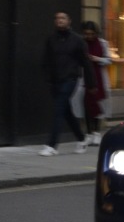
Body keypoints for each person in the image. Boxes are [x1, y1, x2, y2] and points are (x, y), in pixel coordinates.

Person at [39, 11, 94, 156]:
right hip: (55, 80)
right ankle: (82, 139)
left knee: (58, 109)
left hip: (70, 79)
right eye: (57, 18)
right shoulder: (51, 39)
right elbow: (46, 60)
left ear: (69, 21)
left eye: (63, 18)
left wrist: (91, 84)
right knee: (66, 111)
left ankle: (52, 145)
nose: (59, 20)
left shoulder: (77, 40)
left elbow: (86, 62)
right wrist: (47, 77)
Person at [80, 21, 112, 145]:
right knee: (87, 106)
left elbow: (108, 60)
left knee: (99, 105)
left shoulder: (103, 44)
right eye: (87, 34)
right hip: (85, 78)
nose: (89, 36)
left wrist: (96, 59)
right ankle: (88, 132)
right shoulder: (81, 44)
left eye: (92, 34)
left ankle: (96, 132)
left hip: (99, 78)